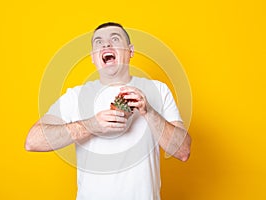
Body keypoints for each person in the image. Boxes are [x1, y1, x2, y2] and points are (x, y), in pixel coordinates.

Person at [25, 22, 191, 200]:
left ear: (130, 51)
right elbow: (32, 141)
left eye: (115, 39)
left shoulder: (157, 90)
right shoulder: (75, 96)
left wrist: (149, 112)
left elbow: (183, 151)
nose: (106, 45)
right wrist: (92, 125)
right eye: (99, 42)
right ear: (93, 57)